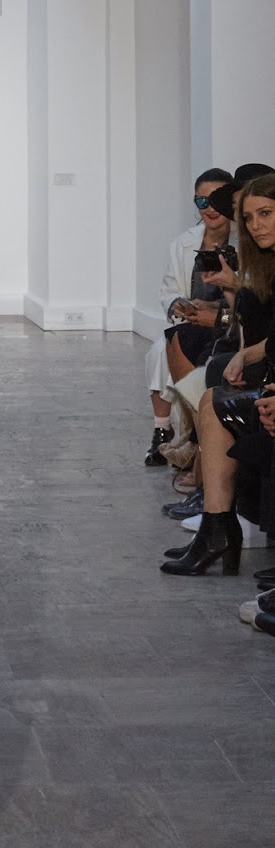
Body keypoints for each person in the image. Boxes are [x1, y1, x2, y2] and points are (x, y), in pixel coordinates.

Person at [162, 174, 275, 575]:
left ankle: (218, 528)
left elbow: (250, 329)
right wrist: (232, 292)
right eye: (249, 217)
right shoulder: (262, 263)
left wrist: (243, 350)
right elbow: (254, 325)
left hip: (254, 365)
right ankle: (216, 525)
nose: (256, 225)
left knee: (215, 392)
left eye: (265, 213)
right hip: (249, 359)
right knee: (204, 380)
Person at [143, 169, 235, 465]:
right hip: (191, 323)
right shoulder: (183, 243)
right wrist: (178, 305)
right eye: (201, 201)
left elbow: (251, 307)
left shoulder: (247, 244)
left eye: (216, 199)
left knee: (178, 343)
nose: (209, 208)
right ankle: (163, 430)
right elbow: (168, 288)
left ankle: (197, 440)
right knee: (160, 349)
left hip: (228, 325)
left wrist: (217, 317)